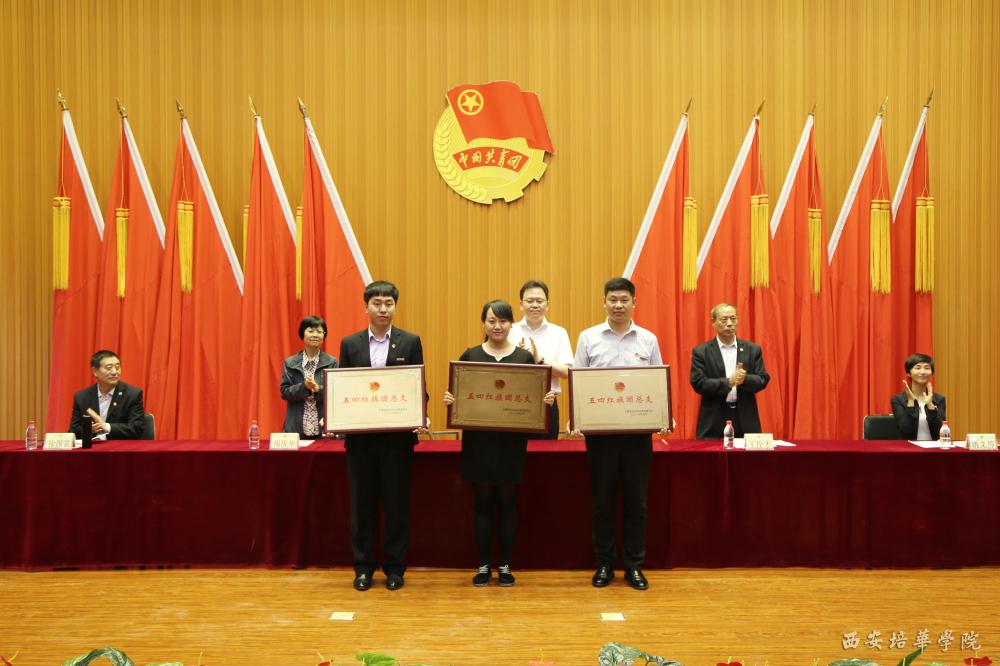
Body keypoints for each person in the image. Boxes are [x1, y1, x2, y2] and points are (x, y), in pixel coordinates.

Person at [444, 299, 555, 588]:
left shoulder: (523, 358)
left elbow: (535, 399)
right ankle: (483, 565)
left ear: (511, 324)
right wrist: (452, 400)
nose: (497, 326)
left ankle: (505, 565)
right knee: (482, 505)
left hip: (510, 445)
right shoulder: (470, 355)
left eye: (503, 321)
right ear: (483, 323)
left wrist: (544, 401)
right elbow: (460, 395)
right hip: (478, 444)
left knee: (507, 505)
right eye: (492, 320)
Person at [573, 277, 669, 591]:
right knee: (602, 501)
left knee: (636, 502)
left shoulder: (648, 339)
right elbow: (578, 382)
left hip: (637, 435)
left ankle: (633, 565)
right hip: (600, 436)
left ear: (634, 303)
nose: (618, 305)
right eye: (612, 299)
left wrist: (663, 415)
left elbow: (657, 383)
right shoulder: (588, 338)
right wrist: (578, 417)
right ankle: (604, 564)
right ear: (604, 302)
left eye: (624, 300)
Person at [339, 281, 426, 592]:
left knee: (396, 506)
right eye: (377, 303)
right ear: (366, 307)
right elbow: (343, 388)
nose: (383, 309)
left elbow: (418, 386)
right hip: (361, 442)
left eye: (388, 303)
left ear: (395, 307)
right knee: (361, 507)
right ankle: (363, 567)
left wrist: (420, 413)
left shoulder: (410, 341)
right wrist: (335, 415)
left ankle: (395, 568)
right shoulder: (350, 344)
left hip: (397, 441)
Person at [690, 303, 770, 439]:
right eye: (724, 320)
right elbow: (698, 383)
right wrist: (728, 382)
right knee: (710, 452)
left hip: (745, 416)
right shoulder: (702, 351)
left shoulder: (752, 349)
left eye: (733, 319)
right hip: (714, 418)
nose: (729, 324)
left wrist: (745, 379)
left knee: (747, 453)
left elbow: (763, 379)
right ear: (713, 322)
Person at [508, 279, 574, 439]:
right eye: (530, 301)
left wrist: (540, 360)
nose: (535, 305)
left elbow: (567, 372)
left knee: (546, 452)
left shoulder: (559, 332)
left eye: (539, 301)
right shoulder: (510, 330)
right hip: (513, 401)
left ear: (547, 304)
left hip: (548, 403)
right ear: (521, 305)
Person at [280, 316, 338, 438]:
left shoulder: (331, 362)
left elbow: (336, 394)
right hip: (296, 427)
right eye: (311, 331)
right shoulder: (290, 363)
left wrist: (318, 389)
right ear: (302, 333)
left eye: (319, 331)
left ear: (324, 335)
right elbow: (285, 392)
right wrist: (304, 386)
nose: (315, 335)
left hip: (323, 426)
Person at [69, 350, 146, 440]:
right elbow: (73, 431)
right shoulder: (81, 397)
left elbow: (136, 429)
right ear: (95, 371)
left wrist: (106, 426)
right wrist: (88, 429)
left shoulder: (132, 394)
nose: (114, 372)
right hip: (93, 447)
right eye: (109, 368)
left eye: (117, 367)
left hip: (119, 446)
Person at [891, 353, 946, 440]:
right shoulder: (898, 400)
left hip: (934, 447)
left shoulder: (939, 399)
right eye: (918, 368)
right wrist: (910, 404)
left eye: (927, 368)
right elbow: (906, 431)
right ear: (908, 373)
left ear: (931, 373)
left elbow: (940, 432)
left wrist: (931, 406)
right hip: (908, 447)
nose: (923, 372)